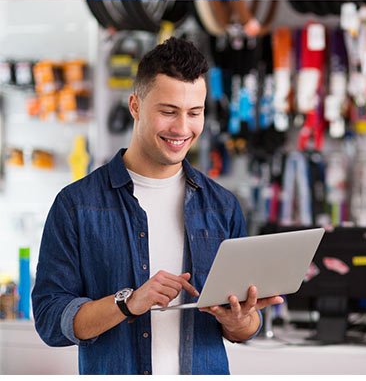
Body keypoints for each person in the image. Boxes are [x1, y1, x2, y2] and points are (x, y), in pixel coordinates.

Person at [32, 34, 278, 374]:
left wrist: (241, 319)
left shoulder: (223, 206)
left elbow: (244, 329)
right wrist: (129, 303)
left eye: (195, 113)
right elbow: (49, 320)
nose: (182, 128)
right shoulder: (76, 205)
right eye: (168, 112)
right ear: (135, 106)